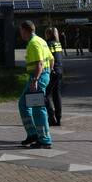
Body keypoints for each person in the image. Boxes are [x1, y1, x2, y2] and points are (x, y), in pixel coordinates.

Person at [18, 20, 53, 148]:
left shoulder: (33, 43)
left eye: (21, 30)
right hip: (42, 76)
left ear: (25, 30)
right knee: (24, 104)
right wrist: (48, 73)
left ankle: (44, 139)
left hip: (37, 77)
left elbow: (39, 63)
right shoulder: (41, 41)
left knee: (38, 108)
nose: (20, 33)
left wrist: (36, 80)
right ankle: (33, 134)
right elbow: (51, 59)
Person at [44, 26, 64, 126]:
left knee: (45, 95)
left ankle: (51, 117)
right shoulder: (58, 44)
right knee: (57, 94)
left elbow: (47, 59)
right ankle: (59, 118)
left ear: (48, 34)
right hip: (60, 71)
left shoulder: (48, 44)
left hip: (52, 72)